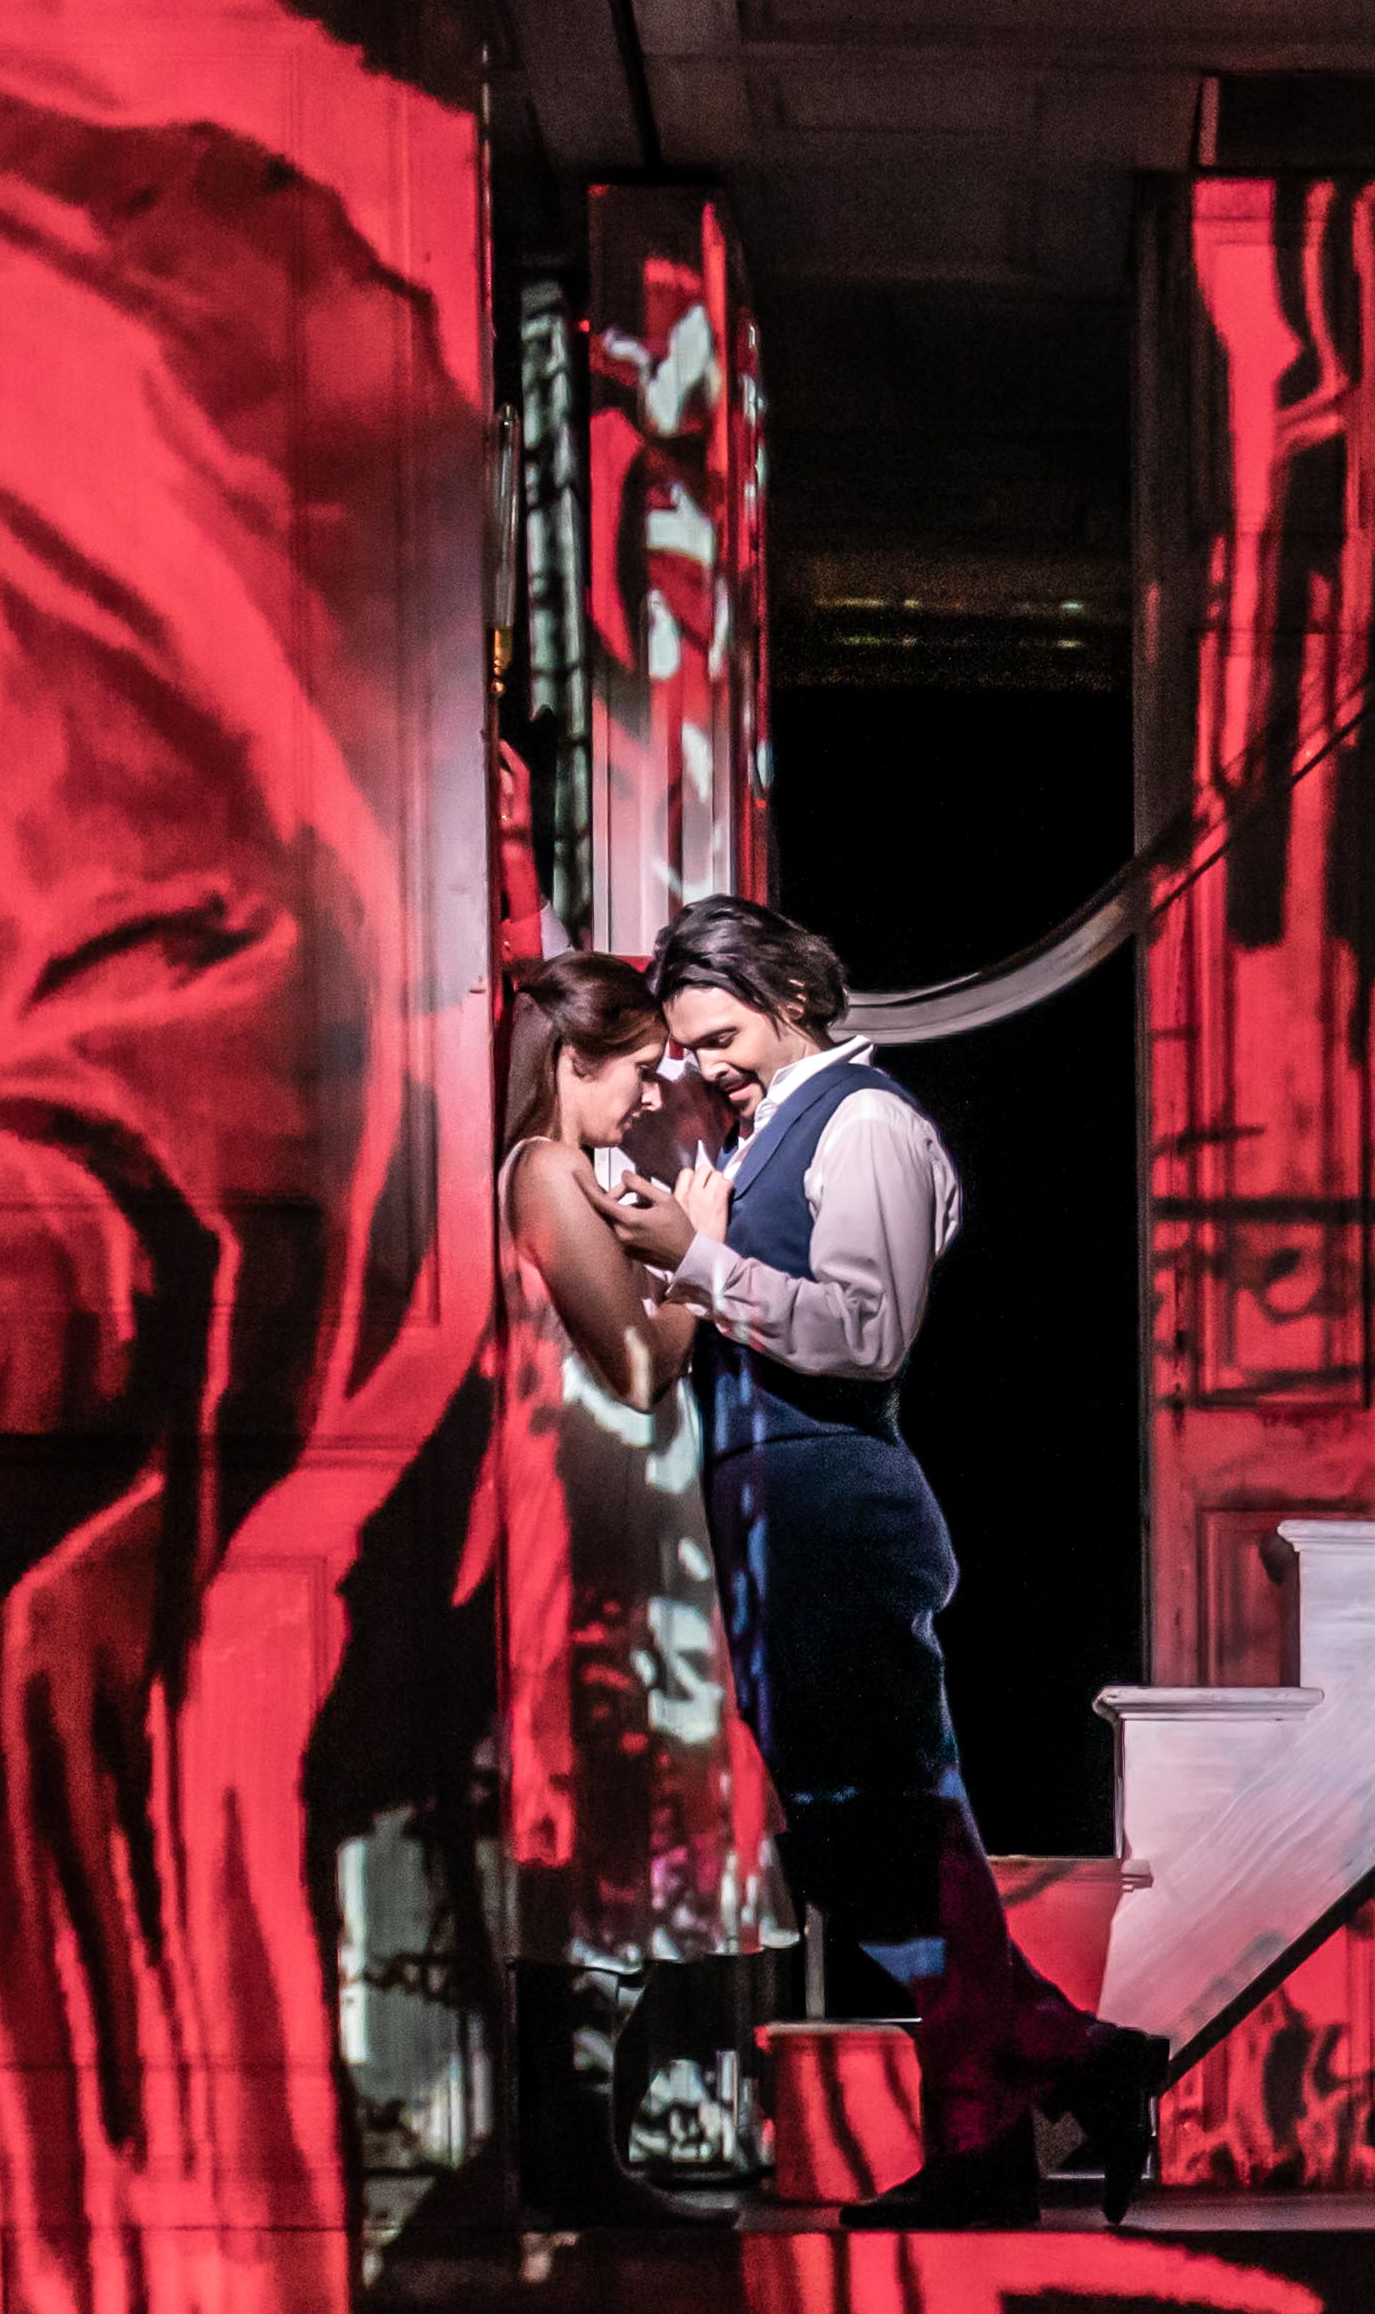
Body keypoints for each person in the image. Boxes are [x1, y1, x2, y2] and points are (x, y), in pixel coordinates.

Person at [603, 896, 1168, 2227]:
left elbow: (863, 1336)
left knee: (894, 1841)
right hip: (773, 1519)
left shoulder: (866, 1126)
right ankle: (1029, 2101)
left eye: (723, 1035)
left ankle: (1045, 2088)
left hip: (835, 1512)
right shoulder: (763, 1140)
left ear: (792, 996)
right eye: (691, 1048)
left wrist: (698, 1261)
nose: (711, 1067)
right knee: (873, 1849)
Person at [489, 953, 781, 2226]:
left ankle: (581, 2151)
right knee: (599, 1818)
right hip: (597, 1521)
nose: (653, 1083)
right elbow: (637, 1367)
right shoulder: (545, 1171)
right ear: (571, 1064)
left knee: (621, 1824)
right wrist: (702, 1256)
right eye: (636, 1063)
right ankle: (570, 2156)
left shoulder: (578, 1174)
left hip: (622, 1515)